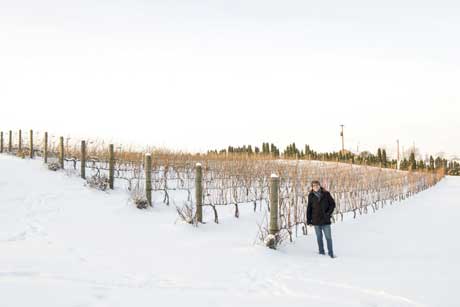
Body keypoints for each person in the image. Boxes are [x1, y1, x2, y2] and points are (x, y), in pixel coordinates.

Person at [307, 180, 336, 258]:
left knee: (328, 237)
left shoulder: (326, 194)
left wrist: (328, 213)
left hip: (325, 220)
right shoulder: (311, 195)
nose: (315, 187)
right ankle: (321, 252)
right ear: (312, 187)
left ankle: (331, 253)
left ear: (319, 186)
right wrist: (309, 220)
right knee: (319, 238)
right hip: (316, 220)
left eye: (317, 185)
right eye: (313, 186)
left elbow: (333, 204)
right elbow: (309, 208)